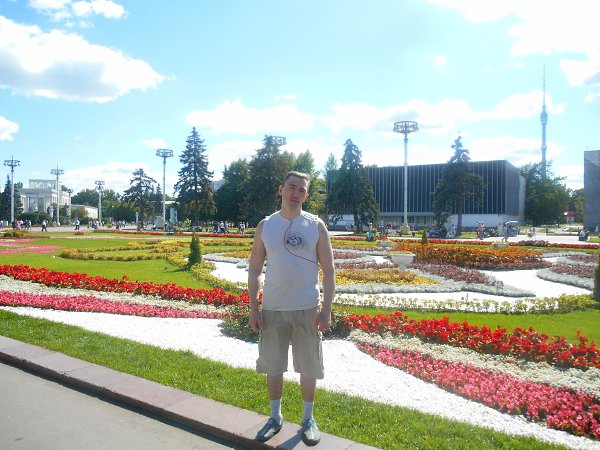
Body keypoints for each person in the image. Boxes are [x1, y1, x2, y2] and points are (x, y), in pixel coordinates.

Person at [248, 171, 335, 446]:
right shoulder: (266, 226)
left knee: (309, 366)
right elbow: (254, 269)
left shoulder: (315, 225)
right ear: (281, 189)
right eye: (291, 188)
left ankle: (308, 419)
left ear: (306, 195)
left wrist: (326, 310)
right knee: (273, 365)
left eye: (301, 190)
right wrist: (254, 309)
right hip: (273, 307)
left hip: (307, 307)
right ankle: (275, 417)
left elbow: (329, 270)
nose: (295, 194)